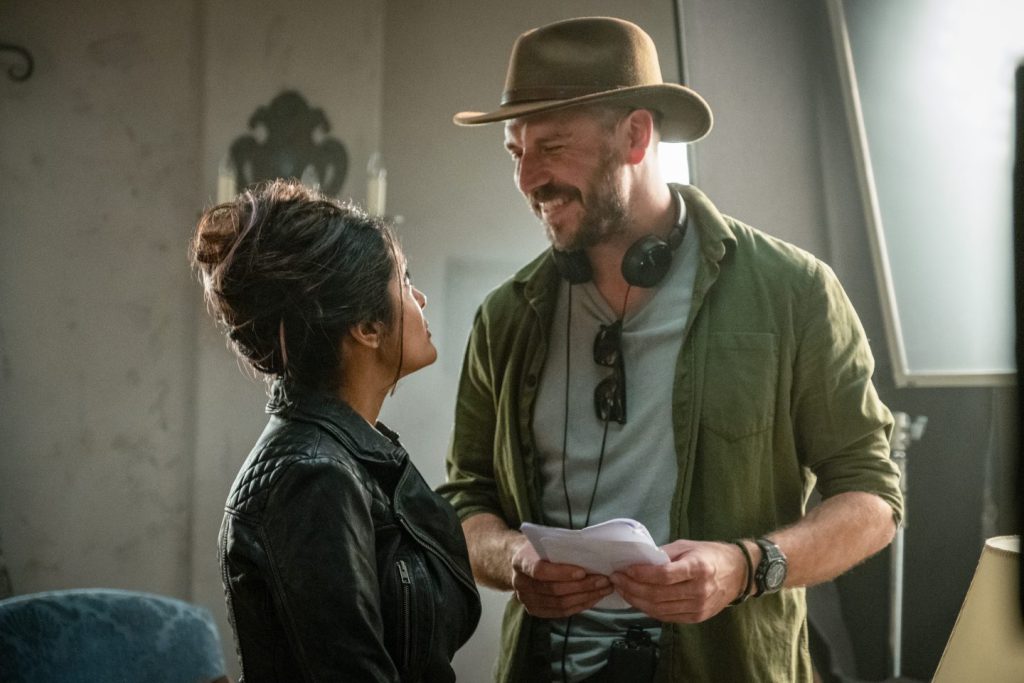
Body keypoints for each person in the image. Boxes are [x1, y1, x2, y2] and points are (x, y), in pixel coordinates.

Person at [439, 16, 903, 683]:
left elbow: (873, 498)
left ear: (635, 135)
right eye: (515, 152)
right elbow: (465, 500)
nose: (527, 178)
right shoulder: (504, 318)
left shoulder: (793, 292)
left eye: (552, 146)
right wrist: (512, 557)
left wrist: (746, 567)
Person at [189, 179, 480, 681]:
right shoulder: (314, 476)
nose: (421, 298)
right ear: (366, 327)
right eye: (404, 281)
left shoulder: (343, 458)